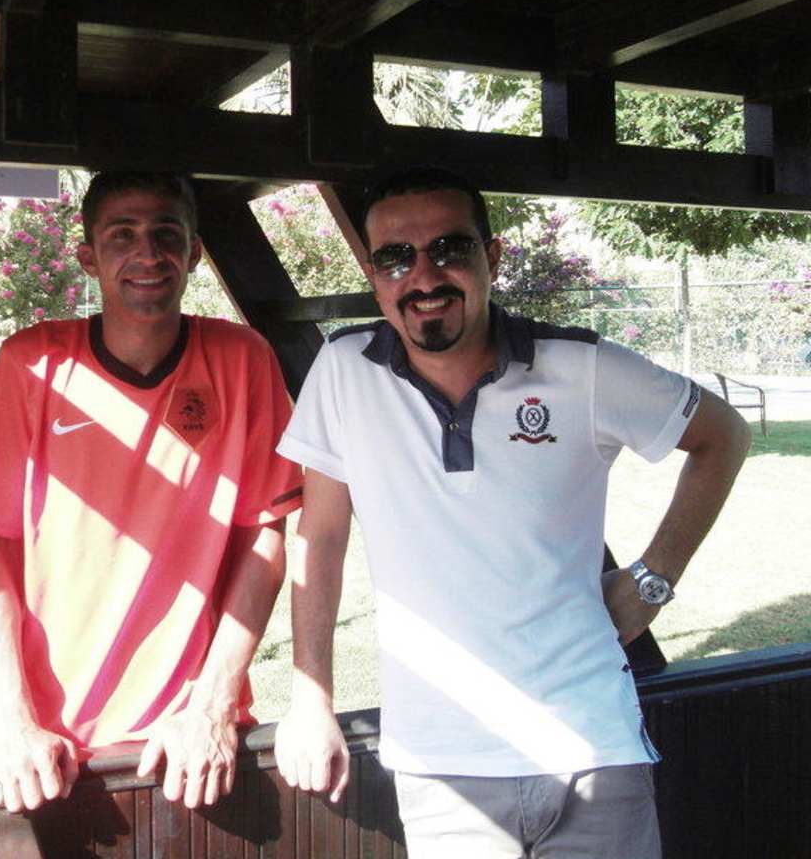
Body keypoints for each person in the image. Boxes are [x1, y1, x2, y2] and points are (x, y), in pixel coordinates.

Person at [273, 166, 752, 857]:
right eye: (396, 257)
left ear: (492, 258)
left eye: (450, 248)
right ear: (374, 275)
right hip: (440, 766)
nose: (424, 275)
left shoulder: (580, 368)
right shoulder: (345, 370)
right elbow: (319, 538)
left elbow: (722, 434)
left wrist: (652, 580)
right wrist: (310, 696)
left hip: (592, 750)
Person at [0, 172, 302, 814]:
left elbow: (264, 536)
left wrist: (213, 703)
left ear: (194, 252)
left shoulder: (242, 359)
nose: (148, 254)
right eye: (122, 236)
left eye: (166, 234)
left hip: (191, 734)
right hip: (55, 745)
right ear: (89, 256)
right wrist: (11, 721)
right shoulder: (32, 363)